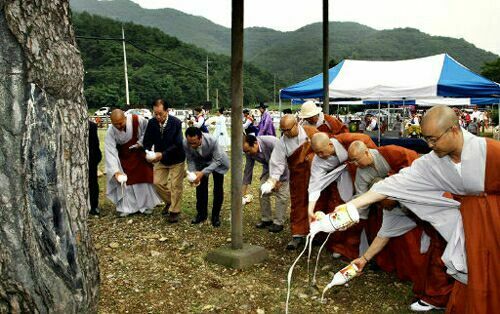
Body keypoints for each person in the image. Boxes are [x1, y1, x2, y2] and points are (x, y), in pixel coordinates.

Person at [320, 105, 499, 313]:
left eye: (434, 139)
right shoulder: (432, 163)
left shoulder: (490, 150)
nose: (430, 145)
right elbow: (392, 184)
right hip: (470, 225)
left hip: (494, 219)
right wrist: (351, 205)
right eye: (426, 140)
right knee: (477, 280)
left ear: (454, 130)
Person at [347, 141, 453, 311]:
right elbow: (382, 236)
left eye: (384, 202)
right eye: (380, 205)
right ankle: (438, 297)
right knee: (432, 257)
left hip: (437, 209)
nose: (384, 207)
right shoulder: (390, 210)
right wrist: (364, 259)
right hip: (424, 223)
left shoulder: (395, 161)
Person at [306, 132, 376, 259]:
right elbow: (315, 184)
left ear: (330, 144)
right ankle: (340, 247)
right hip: (342, 181)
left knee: (366, 211)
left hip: (364, 175)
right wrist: (310, 209)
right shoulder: (318, 159)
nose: (319, 156)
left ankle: (365, 250)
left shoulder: (349, 140)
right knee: (339, 209)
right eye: (316, 153)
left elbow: (371, 152)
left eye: (321, 152)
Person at [266, 114, 318, 249]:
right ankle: (298, 235)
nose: (286, 133)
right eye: (282, 130)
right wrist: (273, 180)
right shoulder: (282, 142)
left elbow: (323, 148)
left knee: (318, 202)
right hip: (298, 176)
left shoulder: (311, 132)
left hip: (317, 174)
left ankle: (318, 232)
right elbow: (277, 162)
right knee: (298, 204)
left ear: (297, 124)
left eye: (288, 130)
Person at [104, 109, 161, 217]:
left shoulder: (137, 120)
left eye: (120, 123)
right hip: (124, 157)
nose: (118, 126)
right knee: (126, 182)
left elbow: (148, 131)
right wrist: (115, 171)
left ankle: (146, 206)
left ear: (125, 118)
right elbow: (110, 151)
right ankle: (128, 208)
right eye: (115, 124)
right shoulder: (110, 131)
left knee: (144, 179)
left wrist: (141, 142)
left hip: (139, 154)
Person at [143, 99, 186, 223]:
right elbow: (147, 141)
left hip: (176, 158)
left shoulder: (176, 123)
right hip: (160, 159)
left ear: (167, 111)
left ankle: (174, 211)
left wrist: (162, 154)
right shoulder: (151, 123)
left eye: (160, 114)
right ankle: (170, 201)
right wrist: (148, 152)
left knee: (175, 185)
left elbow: (177, 143)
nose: (158, 116)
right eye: (155, 114)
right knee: (157, 183)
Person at [243, 134, 289, 233]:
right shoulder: (248, 152)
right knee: (262, 190)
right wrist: (243, 191)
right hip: (269, 167)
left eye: (248, 151)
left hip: (284, 167)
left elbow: (284, 162)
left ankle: (278, 223)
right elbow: (248, 169)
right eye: (245, 151)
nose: (247, 153)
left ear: (255, 143)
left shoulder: (272, 143)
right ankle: (266, 219)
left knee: (281, 194)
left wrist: (279, 180)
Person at [184, 127, 230, 227]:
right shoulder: (186, 143)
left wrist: (203, 173)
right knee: (200, 188)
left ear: (201, 138)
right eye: (190, 143)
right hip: (201, 163)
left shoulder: (212, 140)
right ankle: (201, 214)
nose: (192, 145)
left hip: (217, 163)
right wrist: (193, 174)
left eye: (195, 143)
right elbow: (190, 159)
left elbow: (217, 160)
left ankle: (215, 216)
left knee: (218, 188)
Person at [88, 120, 102, 216]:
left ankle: (94, 206)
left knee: (92, 182)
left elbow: (95, 144)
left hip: (91, 158)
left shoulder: (91, 126)